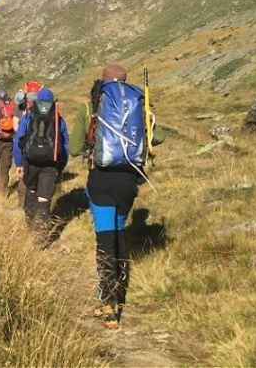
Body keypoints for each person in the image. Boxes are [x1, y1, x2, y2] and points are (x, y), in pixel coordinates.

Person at [73, 63, 160, 330]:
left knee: (104, 240)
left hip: (100, 180)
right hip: (128, 182)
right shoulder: (138, 106)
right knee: (119, 234)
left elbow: (75, 147)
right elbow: (158, 138)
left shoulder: (91, 107)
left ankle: (109, 305)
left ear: (103, 82)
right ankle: (120, 293)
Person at [12, 87, 69, 245]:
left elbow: (18, 141)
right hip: (50, 165)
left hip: (30, 162)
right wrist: (60, 166)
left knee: (31, 192)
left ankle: (30, 226)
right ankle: (40, 237)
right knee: (44, 198)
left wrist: (18, 163)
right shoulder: (58, 119)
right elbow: (65, 146)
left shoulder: (29, 116)